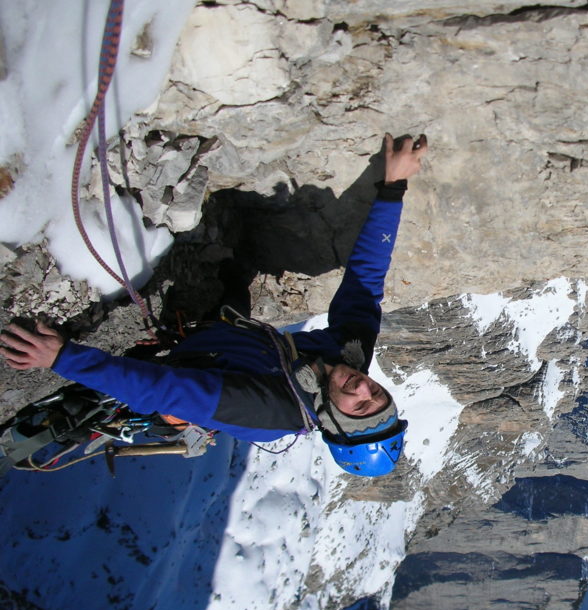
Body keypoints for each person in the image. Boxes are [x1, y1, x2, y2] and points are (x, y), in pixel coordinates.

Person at [0, 133, 428, 477]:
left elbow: (160, 388)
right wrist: (393, 188)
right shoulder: (350, 355)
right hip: (235, 335)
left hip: (193, 358)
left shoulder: (264, 408)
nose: (363, 387)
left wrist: (61, 357)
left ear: (333, 422)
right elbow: (365, 279)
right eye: (378, 394)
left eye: (360, 405)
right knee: (232, 267)